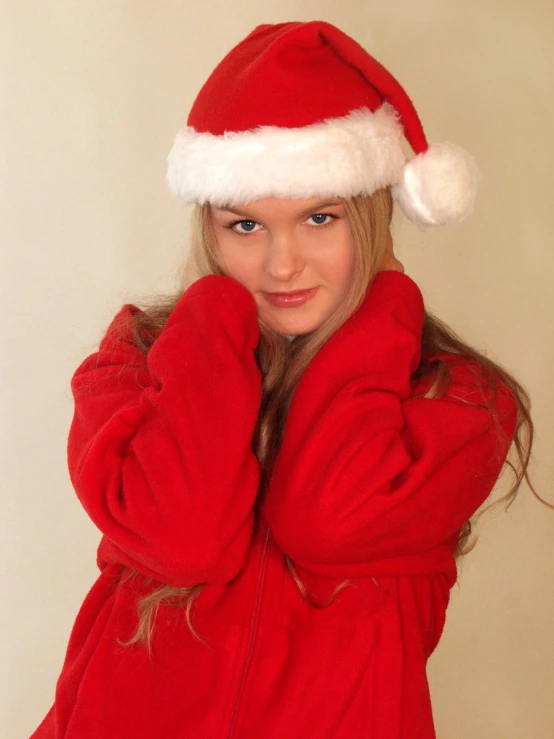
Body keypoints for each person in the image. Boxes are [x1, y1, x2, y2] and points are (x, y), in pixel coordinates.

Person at [31, 20, 538, 739]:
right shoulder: (135, 363)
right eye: (244, 226)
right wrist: (211, 313)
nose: (281, 264)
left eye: (320, 217)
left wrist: (385, 305)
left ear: (373, 213)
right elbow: (183, 538)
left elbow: (330, 518)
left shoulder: (456, 399)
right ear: (207, 228)